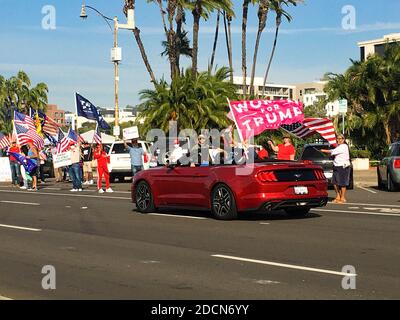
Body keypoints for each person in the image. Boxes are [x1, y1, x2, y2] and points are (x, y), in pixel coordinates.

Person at [321, 134, 351, 204]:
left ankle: (342, 197)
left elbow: (332, 152)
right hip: (336, 165)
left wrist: (323, 150)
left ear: (344, 140)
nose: (339, 140)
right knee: (335, 182)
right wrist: (325, 151)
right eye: (338, 138)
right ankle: (338, 196)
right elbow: (333, 150)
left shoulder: (344, 146)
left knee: (342, 183)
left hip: (343, 166)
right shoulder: (338, 146)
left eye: (341, 139)